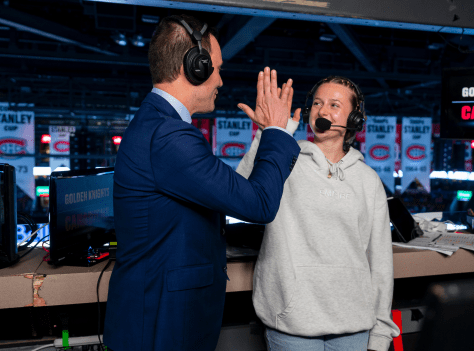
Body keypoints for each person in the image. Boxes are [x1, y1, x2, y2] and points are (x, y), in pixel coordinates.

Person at [103, 14, 300, 351]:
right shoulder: (169, 136)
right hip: (161, 324)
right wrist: (276, 132)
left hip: (160, 316)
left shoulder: (159, 126)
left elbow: (229, 190)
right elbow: (259, 203)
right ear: (194, 65)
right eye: (217, 68)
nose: (221, 80)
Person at [237, 76, 400, 351]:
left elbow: (380, 262)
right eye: (317, 103)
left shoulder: (368, 180)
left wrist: (381, 334)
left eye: (334, 105)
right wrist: (270, 133)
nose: (323, 111)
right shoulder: (284, 160)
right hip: (291, 323)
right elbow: (243, 196)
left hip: (353, 325)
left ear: (355, 119)